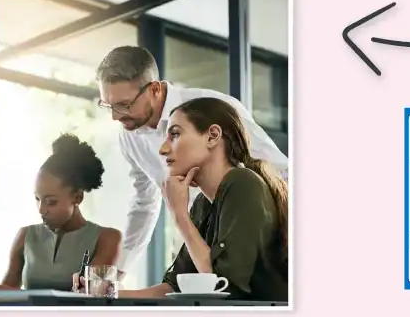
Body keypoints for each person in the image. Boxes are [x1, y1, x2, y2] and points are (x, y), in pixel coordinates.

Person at [95, 45, 289, 271]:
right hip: (193, 249)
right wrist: (116, 271)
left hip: (255, 249)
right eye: (107, 105)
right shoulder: (129, 136)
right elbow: (144, 203)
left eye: (123, 105)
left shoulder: (214, 108)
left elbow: (281, 173)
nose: (115, 116)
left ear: (155, 89)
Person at [121, 96, 289, 303]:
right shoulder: (203, 203)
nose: (162, 149)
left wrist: (180, 216)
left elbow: (223, 286)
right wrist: (106, 292)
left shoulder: (244, 183)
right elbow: (173, 288)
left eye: (174, 134)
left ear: (212, 136)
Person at [0, 134, 120, 291]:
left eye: (51, 202)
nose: (41, 210)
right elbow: (7, 293)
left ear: (77, 197)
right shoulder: (25, 236)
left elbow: (91, 295)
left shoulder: (107, 239)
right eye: (37, 199)